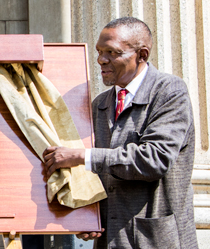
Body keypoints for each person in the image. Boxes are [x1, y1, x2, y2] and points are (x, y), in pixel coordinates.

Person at [42, 17, 198, 248]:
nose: (100, 60)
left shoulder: (169, 92)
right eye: (99, 51)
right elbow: (95, 176)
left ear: (142, 55)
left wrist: (81, 155)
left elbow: (154, 160)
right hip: (110, 239)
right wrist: (87, 214)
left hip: (155, 241)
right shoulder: (100, 104)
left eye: (112, 53)